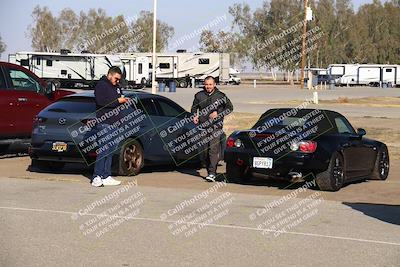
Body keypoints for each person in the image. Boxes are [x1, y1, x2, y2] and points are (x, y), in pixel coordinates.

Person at [91, 66, 129, 187]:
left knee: (111, 150)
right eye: (116, 79)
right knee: (104, 150)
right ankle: (96, 176)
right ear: (110, 75)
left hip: (116, 123)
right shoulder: (101, 85)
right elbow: (101, 102)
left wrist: (123, 101)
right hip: (105, 123)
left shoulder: (117, 87)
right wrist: (118, 101)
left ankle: (106, 175)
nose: (117, 81)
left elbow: (119, 98)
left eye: (119, 79)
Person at [191, 76, 233, 182]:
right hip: (203, 126)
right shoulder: (199, 95)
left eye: (210, 84)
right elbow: (194, 108)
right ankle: (209, 168)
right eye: (206, 84)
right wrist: (194, 116)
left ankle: (212, 173)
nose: (208, 86)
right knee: (204, 151)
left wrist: (218, 113)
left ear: (214, 84)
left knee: (213, 149)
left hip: (216, 127)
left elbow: (230, 108)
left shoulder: (221, 96)